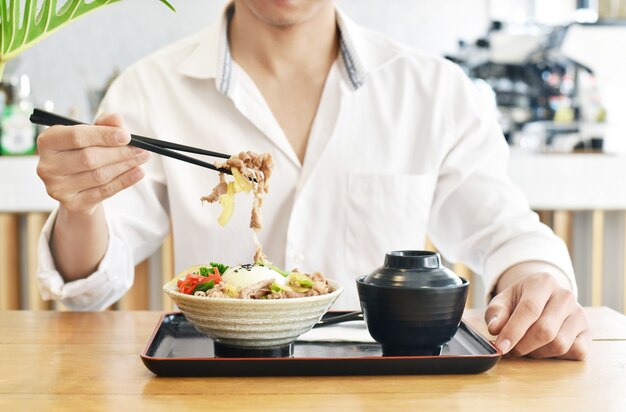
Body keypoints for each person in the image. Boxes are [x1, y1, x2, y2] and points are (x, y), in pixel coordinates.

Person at [36, 0, 589, 360]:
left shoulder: (433, 90)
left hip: (384, 395)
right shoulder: (149, 89)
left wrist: (539, 281)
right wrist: (80, 205)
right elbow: (89, 285)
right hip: (217, 391)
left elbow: (505, 231)